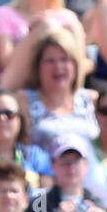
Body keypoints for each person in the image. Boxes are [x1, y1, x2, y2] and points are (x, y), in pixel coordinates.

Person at [0, 0, 86, 93]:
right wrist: (36, 34)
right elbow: (6, 65)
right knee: (46, 26)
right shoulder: (3, 14)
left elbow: (81, 64)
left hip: (57, 91)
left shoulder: (69, 18)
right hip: (17, 90)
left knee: (66, 28)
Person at [15, 27, 96, 155]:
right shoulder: (23, 100)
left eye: (64, 59)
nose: (58, 67)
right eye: (50, 61)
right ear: (38, 66)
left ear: (75, 65)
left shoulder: (92, 99)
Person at [29, 133, 105, 212]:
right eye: (64, 161)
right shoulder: (40, 202)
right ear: (52, 165)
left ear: (86, 164)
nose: (70, 167)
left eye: (76, 160)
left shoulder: (97, 202)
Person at [0, 87, 50, 190]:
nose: (2, 118)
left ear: (20, 119)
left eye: (9, 114)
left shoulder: (35, 156)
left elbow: (44, 199)